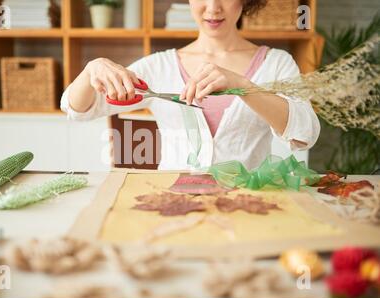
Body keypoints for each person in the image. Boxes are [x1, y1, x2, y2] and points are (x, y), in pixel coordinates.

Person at [60, 0, 320, 170]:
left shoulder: (276, 63)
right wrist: (90, 70)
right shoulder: (159, 67)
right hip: (173, 204)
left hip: (249, 206)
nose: (212, 8)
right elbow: (78, 110)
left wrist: (242, 85)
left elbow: (306, 134)